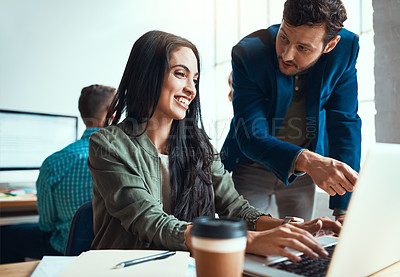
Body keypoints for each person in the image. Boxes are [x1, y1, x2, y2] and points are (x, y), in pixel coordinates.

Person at [87, 30, 341, 262]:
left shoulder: (200, 146)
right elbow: (150, 221)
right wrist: (247, 241)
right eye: (180, 74)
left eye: (195, 79)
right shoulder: (108, 145)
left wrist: (286, 228)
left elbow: (236, 209)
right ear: (147, 75)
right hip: (124, 269)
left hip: (184, 267)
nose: (191, 89)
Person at [221, 0, 361, 222]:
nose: (286, 55)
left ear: (330, 45)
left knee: (300, 245)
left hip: (303, 174)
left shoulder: (345, 50)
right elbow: (251, 134)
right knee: (244, 238)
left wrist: (343, 207)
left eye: (303, 48)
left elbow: (344, 122)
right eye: (284, 37)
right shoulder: (248, 53)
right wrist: (308, 161)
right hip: (252, 165)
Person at [0, 85, 116, 264]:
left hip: (66, 249)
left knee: (4, 235)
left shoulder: (53, 162)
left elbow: (47, 225)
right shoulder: (126, 157)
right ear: (110, 111)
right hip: (112, 252)